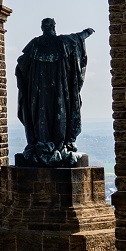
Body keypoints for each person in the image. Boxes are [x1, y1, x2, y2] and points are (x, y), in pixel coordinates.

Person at [14, 18, 94, 167]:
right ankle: (58, 143)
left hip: (39, 93)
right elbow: (76, 38)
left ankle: (44, 142)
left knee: (41, 116)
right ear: (53, 27)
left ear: (43, 27)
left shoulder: (35, 45)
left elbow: (22, 65)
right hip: (59, 91)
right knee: (59, 115)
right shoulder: (62, 43)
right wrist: (86, 33)